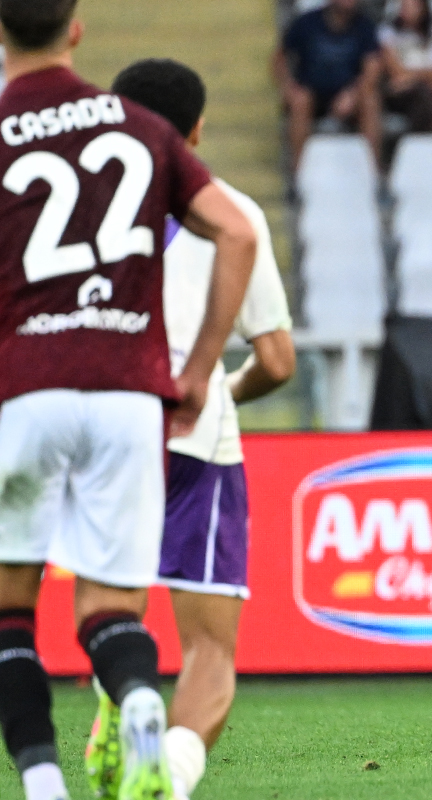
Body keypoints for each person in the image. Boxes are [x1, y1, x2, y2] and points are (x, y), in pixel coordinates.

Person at [0, 0, 256, 798]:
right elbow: (238, 233)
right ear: (76, 29)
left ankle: (42, 783)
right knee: (110, 605)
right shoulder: (142, 130)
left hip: (29, 388)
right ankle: (143, 705)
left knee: (12, 610)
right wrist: (203, 365)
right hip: (127, 398)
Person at [78, 59, 296, 800]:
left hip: (92, 429)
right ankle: (166, 774)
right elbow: (277, 360)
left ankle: (118, 697)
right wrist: (225, 388)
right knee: (209, 644)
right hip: (191, 436)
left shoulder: (70, 204)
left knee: (113, 606)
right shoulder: (232, 210)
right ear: (198, 129)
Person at [273, 0, 382, 171]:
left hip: (348, 94)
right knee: (300, 101)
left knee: (370, 101)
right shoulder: (307, 23)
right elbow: (279, 58)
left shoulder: (364, 26)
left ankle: (373, 172)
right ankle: (298, 175)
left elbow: (373, 68)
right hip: (312, 94)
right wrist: (288, 87)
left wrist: (353, 94)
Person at [379, 0, 432, 133]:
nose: (406, 9)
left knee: (424, 98)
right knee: (423, 94)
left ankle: (423, 140)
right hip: (402, 99)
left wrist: (415, 77)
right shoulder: (388, 33)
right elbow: (396, 75)